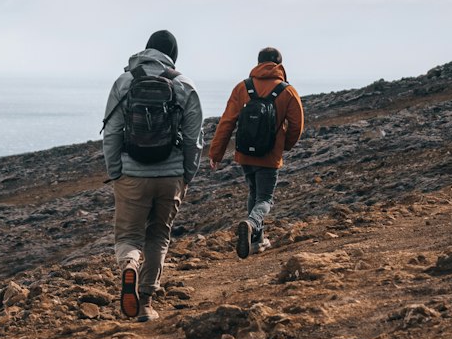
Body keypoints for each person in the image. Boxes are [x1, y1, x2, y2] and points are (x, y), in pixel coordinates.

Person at [102, 30, 203, 321]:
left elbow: (111, 132)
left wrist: (116, 173)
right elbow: (194, 139)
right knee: (158, 236)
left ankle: (130, 265)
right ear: (173, 55)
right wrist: (186, 175)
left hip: (132, 176)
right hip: (170, 176)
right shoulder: (185, 85)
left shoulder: (124, 82)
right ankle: (144, 303)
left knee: (129, 236)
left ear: (147, 49)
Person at [208, 46, 304, 258]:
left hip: (245, 154)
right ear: (279, 64)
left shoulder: (243, 88)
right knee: (265, 199)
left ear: (258, 63)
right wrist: (284, 145)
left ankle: (256, 240)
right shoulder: (287, 91)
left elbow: (226, 122)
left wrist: (216, 153)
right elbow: (297, 126)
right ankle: (251, 224)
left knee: (253, 192)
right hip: (269, 155)